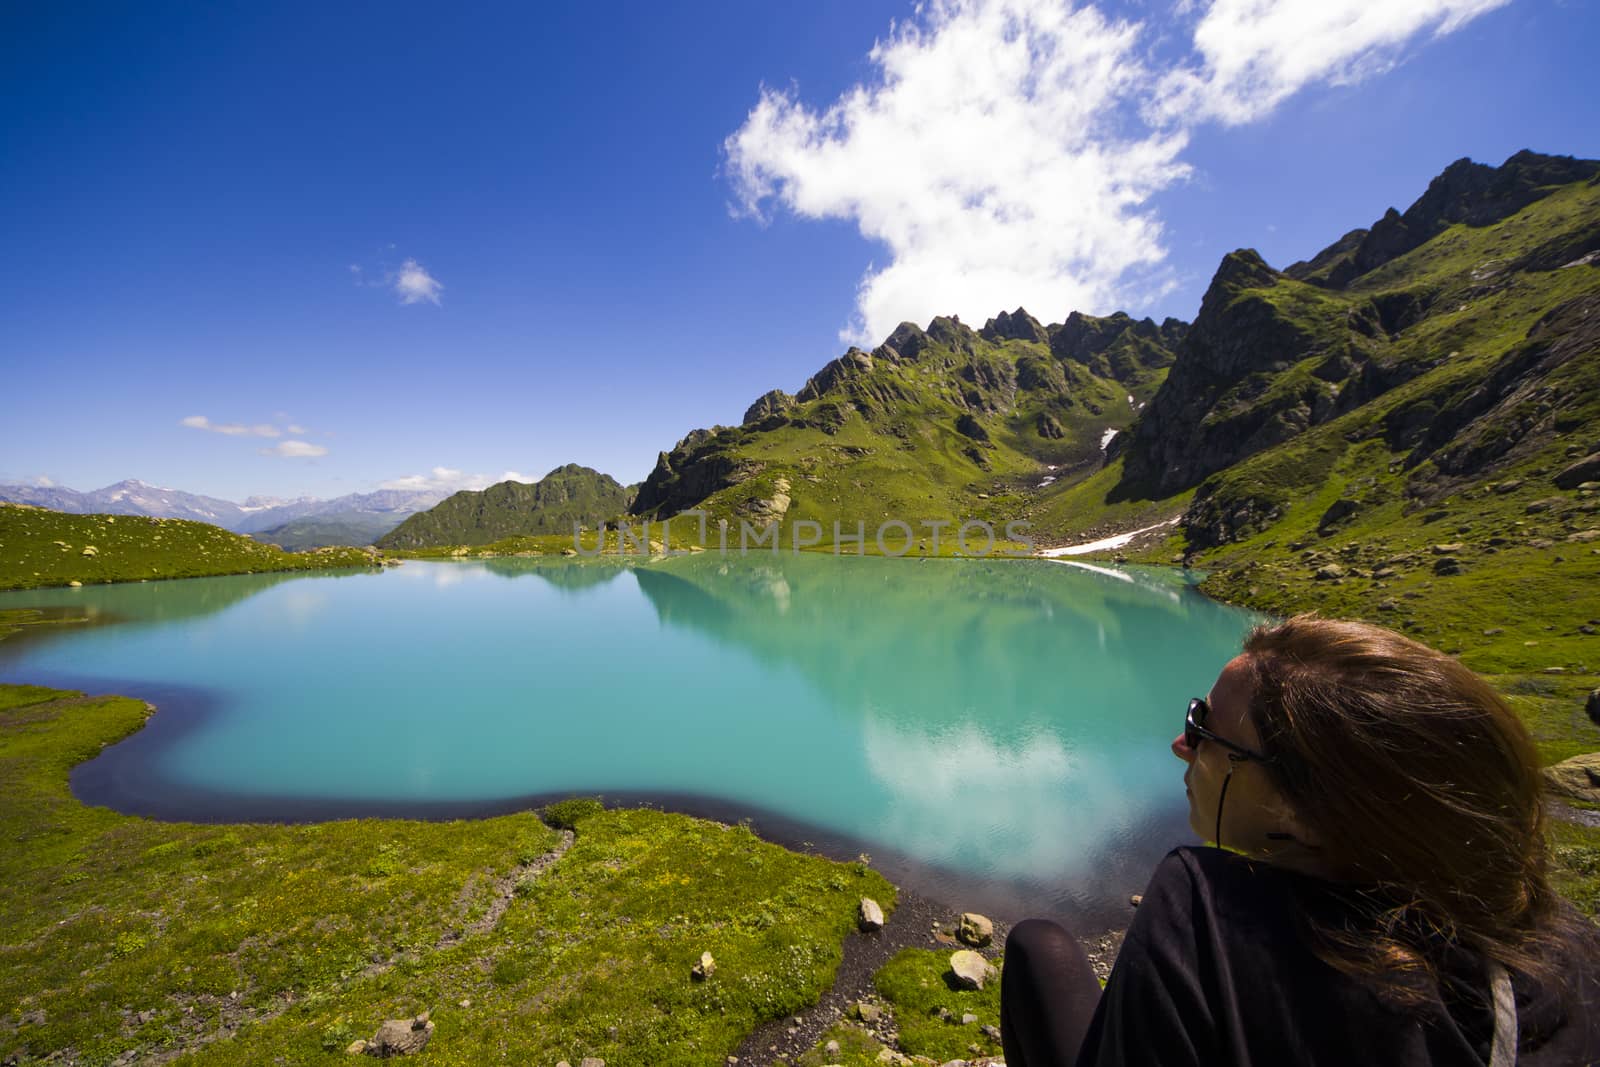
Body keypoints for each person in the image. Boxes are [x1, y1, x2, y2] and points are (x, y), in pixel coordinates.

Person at [1000, 614, 1600, 1066]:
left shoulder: (1204, 913)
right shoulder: (1573, 949)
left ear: (1303, 813)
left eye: (1203, 729)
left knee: (1038, 947)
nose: (1182, 745)